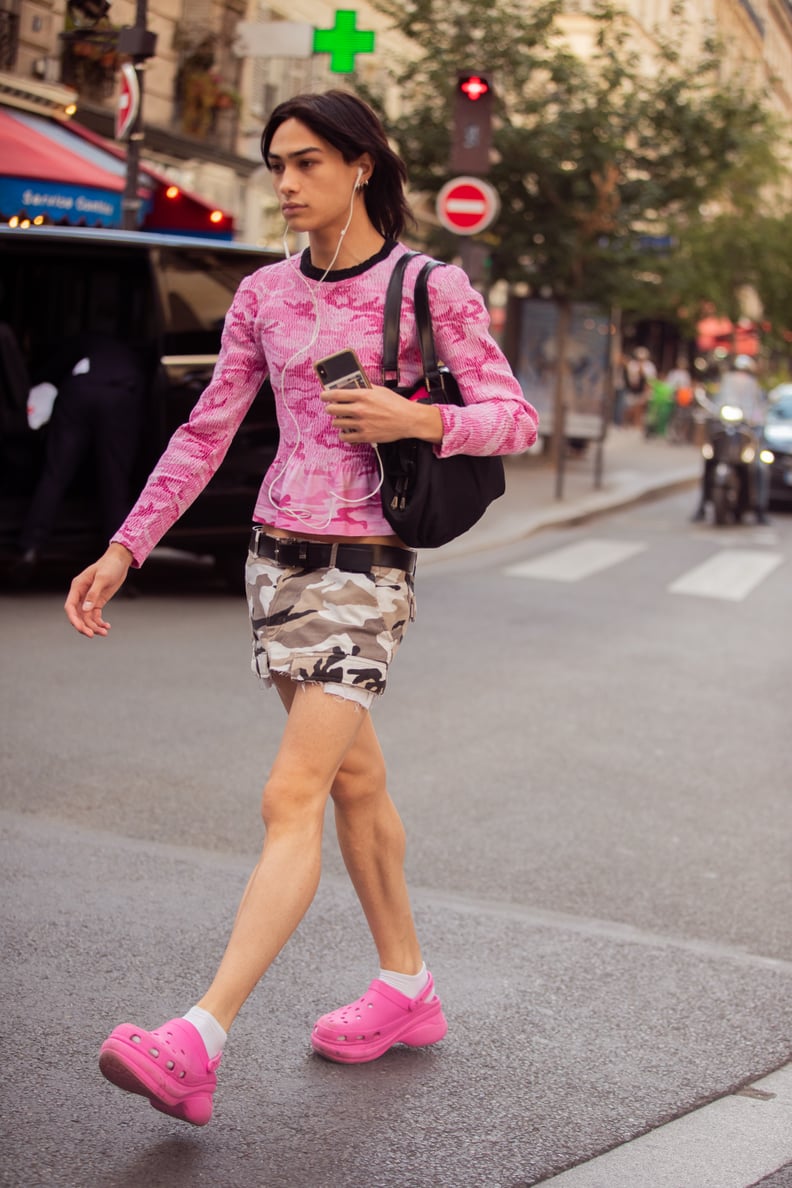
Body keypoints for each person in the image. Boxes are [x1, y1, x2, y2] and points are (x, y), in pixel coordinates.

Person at [64, 90, 538, 1127]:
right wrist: (125, 545)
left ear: (362, 166)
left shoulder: (429, 285)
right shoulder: (263, 293)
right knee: (354, 783)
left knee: (291, 798)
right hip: (273, 566)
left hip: (364, 572)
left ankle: (197, 1039)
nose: (284, 183)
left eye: (307, 163)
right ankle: (407, 988)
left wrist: (420, 415)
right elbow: (205, 431)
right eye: (275, 162)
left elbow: (515, 419)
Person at [12, 332, 146, 579]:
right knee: (115, 480)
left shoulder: (83, 342)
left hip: (79, 392)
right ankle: (119, 564)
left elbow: (46, 375)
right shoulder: (133, 356)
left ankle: (30, 548)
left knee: (55, 473)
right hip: (121, 396)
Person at [691, 355, 769, 523]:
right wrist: (710, 410)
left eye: (744, 372)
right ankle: (702, 505)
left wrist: (757, 418)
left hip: (746, 433)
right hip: (727, 429)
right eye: (738, 371)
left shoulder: (755, 390)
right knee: (708, 459)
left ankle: (760, 509)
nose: (741, 376)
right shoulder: (724, 386)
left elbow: (761, 409)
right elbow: (714, 402)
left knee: (759, 466)